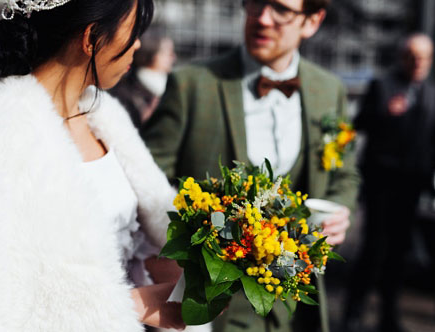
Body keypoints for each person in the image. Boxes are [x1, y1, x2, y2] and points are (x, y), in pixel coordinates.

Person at [0, 0, 187, 330]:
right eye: (133, 31)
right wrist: (131, 304)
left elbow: (140, 239)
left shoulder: (105, 116)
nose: (138, 43)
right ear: (91, 37)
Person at [140, 0, 358, 331]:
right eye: (256, 3)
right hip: (217, 309)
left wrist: (340, 209)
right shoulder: (191, 85)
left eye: (281, 9)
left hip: (298, 306)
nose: (263, 18)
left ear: (312, 21)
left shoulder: (330, 91)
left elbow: (344, 173)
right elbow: (145, 182)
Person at [342, 34, 435, 332]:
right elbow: (359, 123)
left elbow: (434, 136)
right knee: (374, 248)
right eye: (413, 56)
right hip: (381, 181)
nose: (419, 62)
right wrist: (385, 112)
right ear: (403, 57)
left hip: (412, 184)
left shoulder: (431, 90)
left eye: (424, 57)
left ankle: (388, 317)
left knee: (399, 252)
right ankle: (353, 314)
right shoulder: (382, 85)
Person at [109, 27, 176, 127]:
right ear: (152, 54)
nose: (173, 57)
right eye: (168, 53)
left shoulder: (173, 86)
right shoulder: (125, 93)